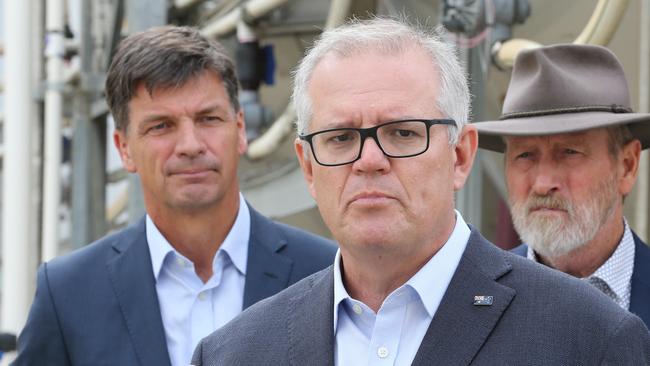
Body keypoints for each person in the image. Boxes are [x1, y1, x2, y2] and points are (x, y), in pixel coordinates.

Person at [191, 18, 650, 366]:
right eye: (340, 138)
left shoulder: (591, 339)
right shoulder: (234, 353)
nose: (368, 160)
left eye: (403, 134)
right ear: (308, 167)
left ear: (461, 155)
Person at [14, 26, 336, 366]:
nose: (190, 145)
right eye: (161, 126)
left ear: (239, 129)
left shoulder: (326, 273)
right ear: (124, 149)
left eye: (208, 119)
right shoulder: (68, 294)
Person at [473, 43, 650, 327]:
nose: (543, 184)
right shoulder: (471, 300)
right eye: (525, 155)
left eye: (570, 153)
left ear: (627, 166)